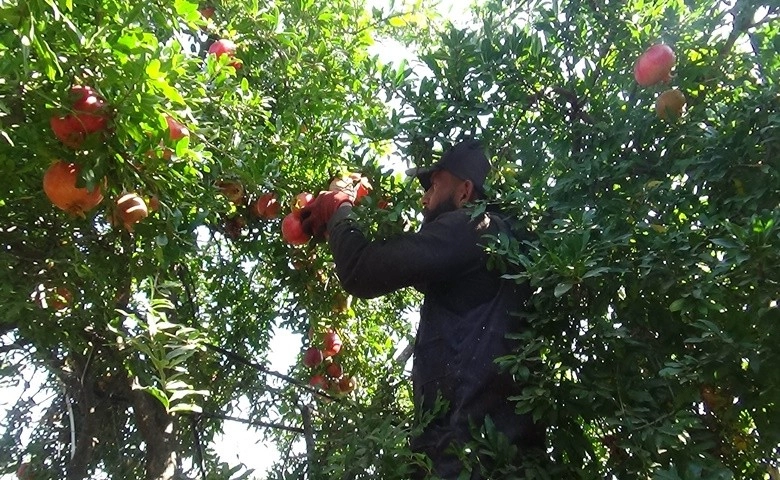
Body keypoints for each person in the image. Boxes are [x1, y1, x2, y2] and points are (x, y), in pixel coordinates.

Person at [299, 139, 545, 479]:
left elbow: (362, 270)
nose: (424, 198)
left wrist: (338, 209)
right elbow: (410, 264)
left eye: (434, 186)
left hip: (461, 457)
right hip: (504, 458)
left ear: (464, 192)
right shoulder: (504, 249)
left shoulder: (473, 227)